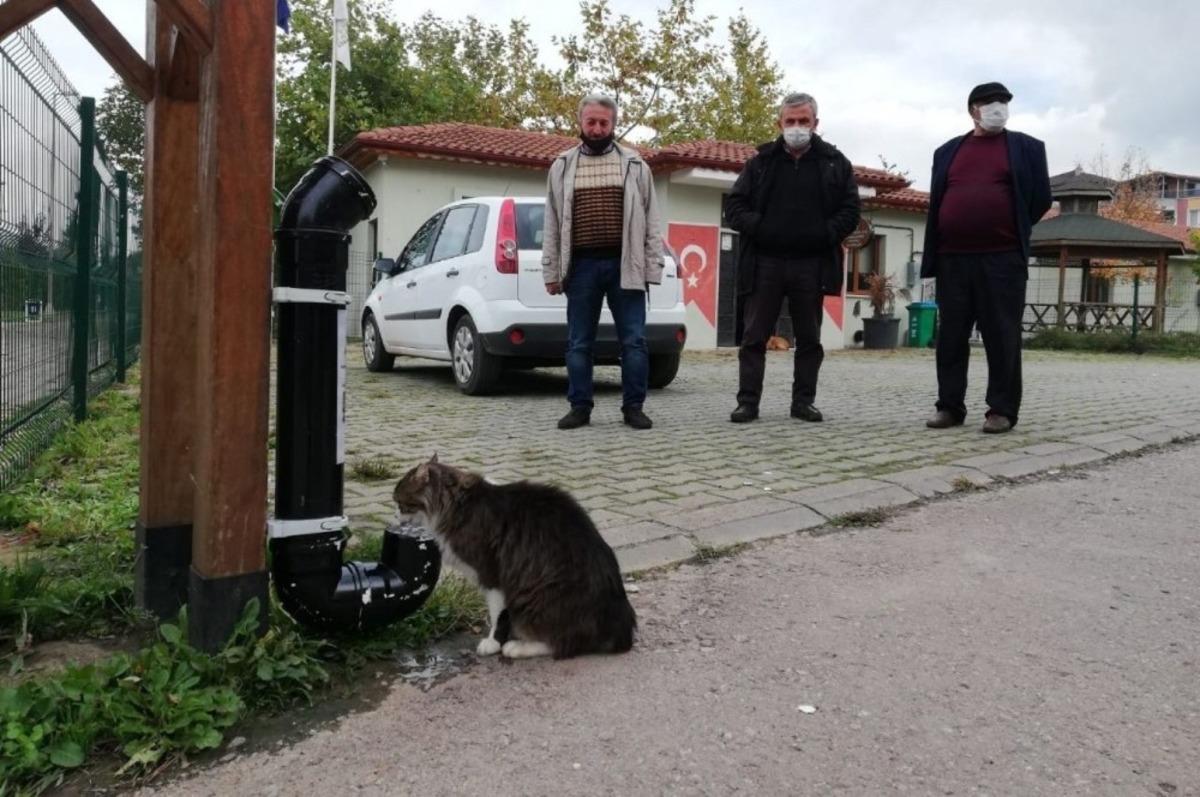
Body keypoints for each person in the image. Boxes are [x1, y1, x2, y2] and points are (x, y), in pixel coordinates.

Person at [921, 82, 1052, 434]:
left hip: (1002, 259)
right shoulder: (947, 151)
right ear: (973, 110)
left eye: (1004, 102)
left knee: (1002, 335)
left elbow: (1040, 198)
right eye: (990, 102)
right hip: (952, 258)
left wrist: (1004, 225)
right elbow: (939, 199)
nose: (998, 107)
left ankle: (1001, 410)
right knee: (951, 336)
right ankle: (949, 407)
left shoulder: (1028, 148)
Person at [723, 92, 861, 424]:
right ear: (779, 123)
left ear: (815, 123)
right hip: (764, 263)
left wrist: (824, 232)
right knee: (754, 337)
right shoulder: (760, 162)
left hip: (811, 265)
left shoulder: (835, 163)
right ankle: (747, 403)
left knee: (810, 339)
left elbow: (851, 210)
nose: (797, 127)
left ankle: (803, 403)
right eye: (791, 121)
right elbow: (735, 207)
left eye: (803, 121)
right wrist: (761, 227)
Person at [542, 94, 665, 431]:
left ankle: (634, 408)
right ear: (580, 123)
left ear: (614, 124)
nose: (597, 129)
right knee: (578, 342)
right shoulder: (561, 166)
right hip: (581, 267)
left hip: (626, 265)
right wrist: (551, 271)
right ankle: (579, 407)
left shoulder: (636, 166)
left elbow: (652, 220)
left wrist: (652, 267)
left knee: (634, 341)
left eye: (603, 123)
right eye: (591, 122)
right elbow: (552, 221)